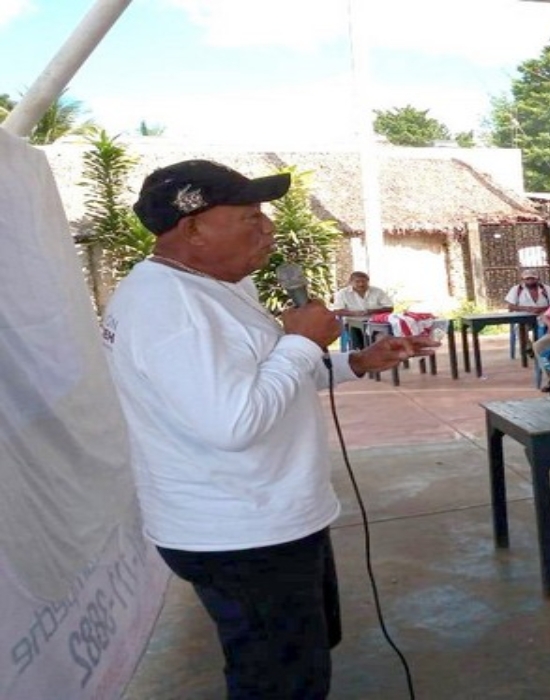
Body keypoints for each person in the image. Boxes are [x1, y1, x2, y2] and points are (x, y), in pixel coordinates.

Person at [102, 159, 437, 698]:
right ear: (192, 229)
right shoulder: (170, 308)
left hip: (271, 519)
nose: (267, 230)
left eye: (265, 216)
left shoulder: (212, 287)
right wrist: (303, 341)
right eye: (248, 219)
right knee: (278, 684)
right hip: (242, 535)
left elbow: (261, 380)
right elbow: (234, 421)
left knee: (298, 662)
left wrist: (356, 362)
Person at [330, 271, 394, 348]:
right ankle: (360, 352)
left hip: (375, 322)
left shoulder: (377, 291)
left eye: (364, 281)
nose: (361, 284)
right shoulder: (343, 293)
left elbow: (390, 308)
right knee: (358, 345)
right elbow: (337, 311)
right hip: (353, 322)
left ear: (368, 281)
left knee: (383, 340)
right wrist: (354, 313)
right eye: (357, 282)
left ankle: (379, 354)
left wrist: (371, 311)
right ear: (350, 282)